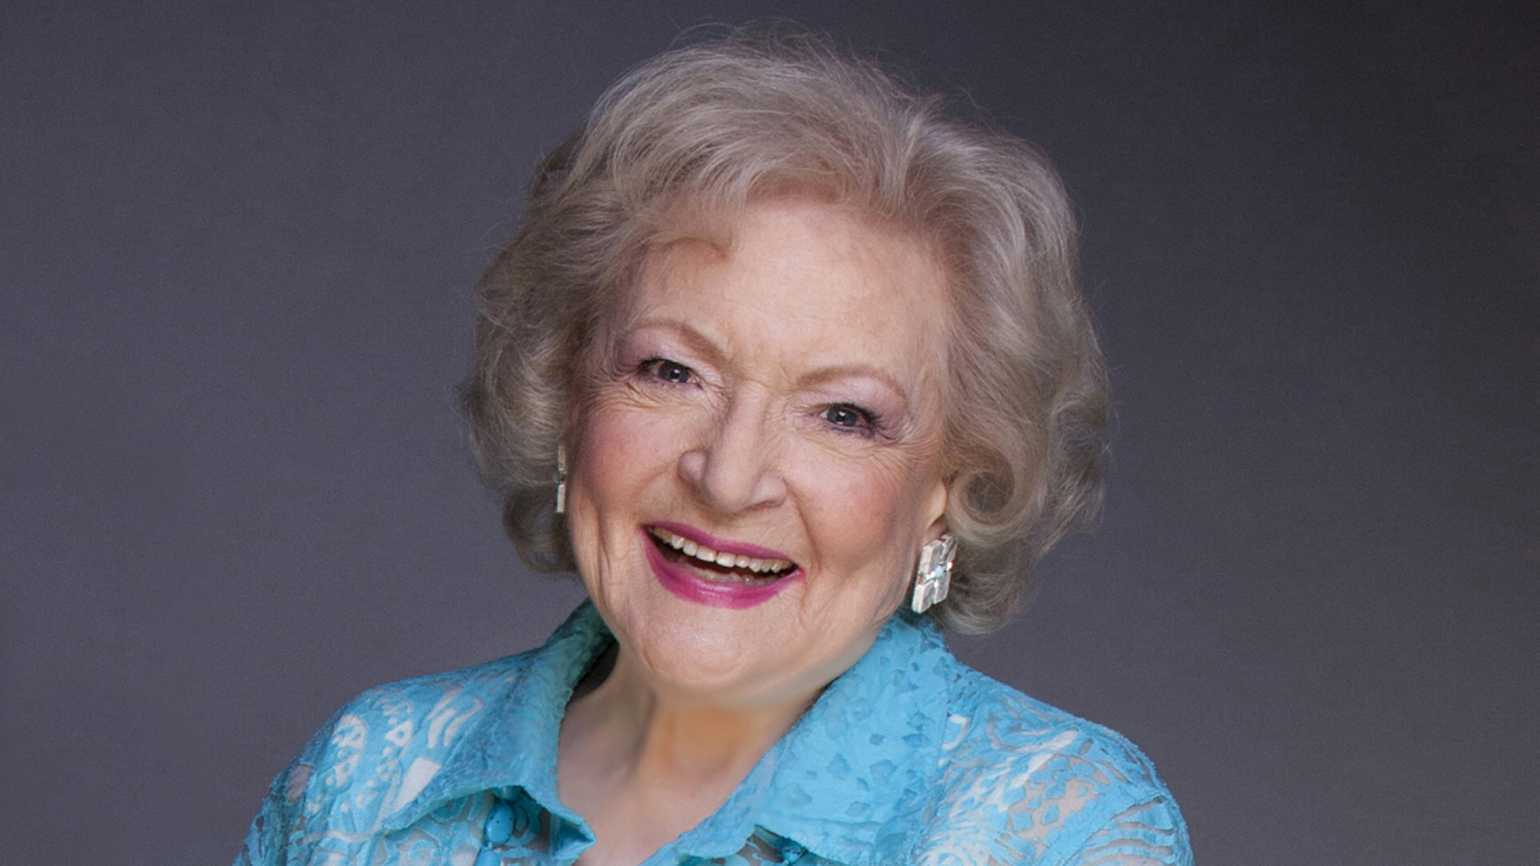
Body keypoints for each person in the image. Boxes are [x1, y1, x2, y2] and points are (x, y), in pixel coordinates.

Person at [233, 27, 1192, 866]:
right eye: (672, 372)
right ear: (567, 394)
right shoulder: (365, 784)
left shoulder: (1058, 831)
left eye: (842, 415)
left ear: (951, 486)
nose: (729, 479)